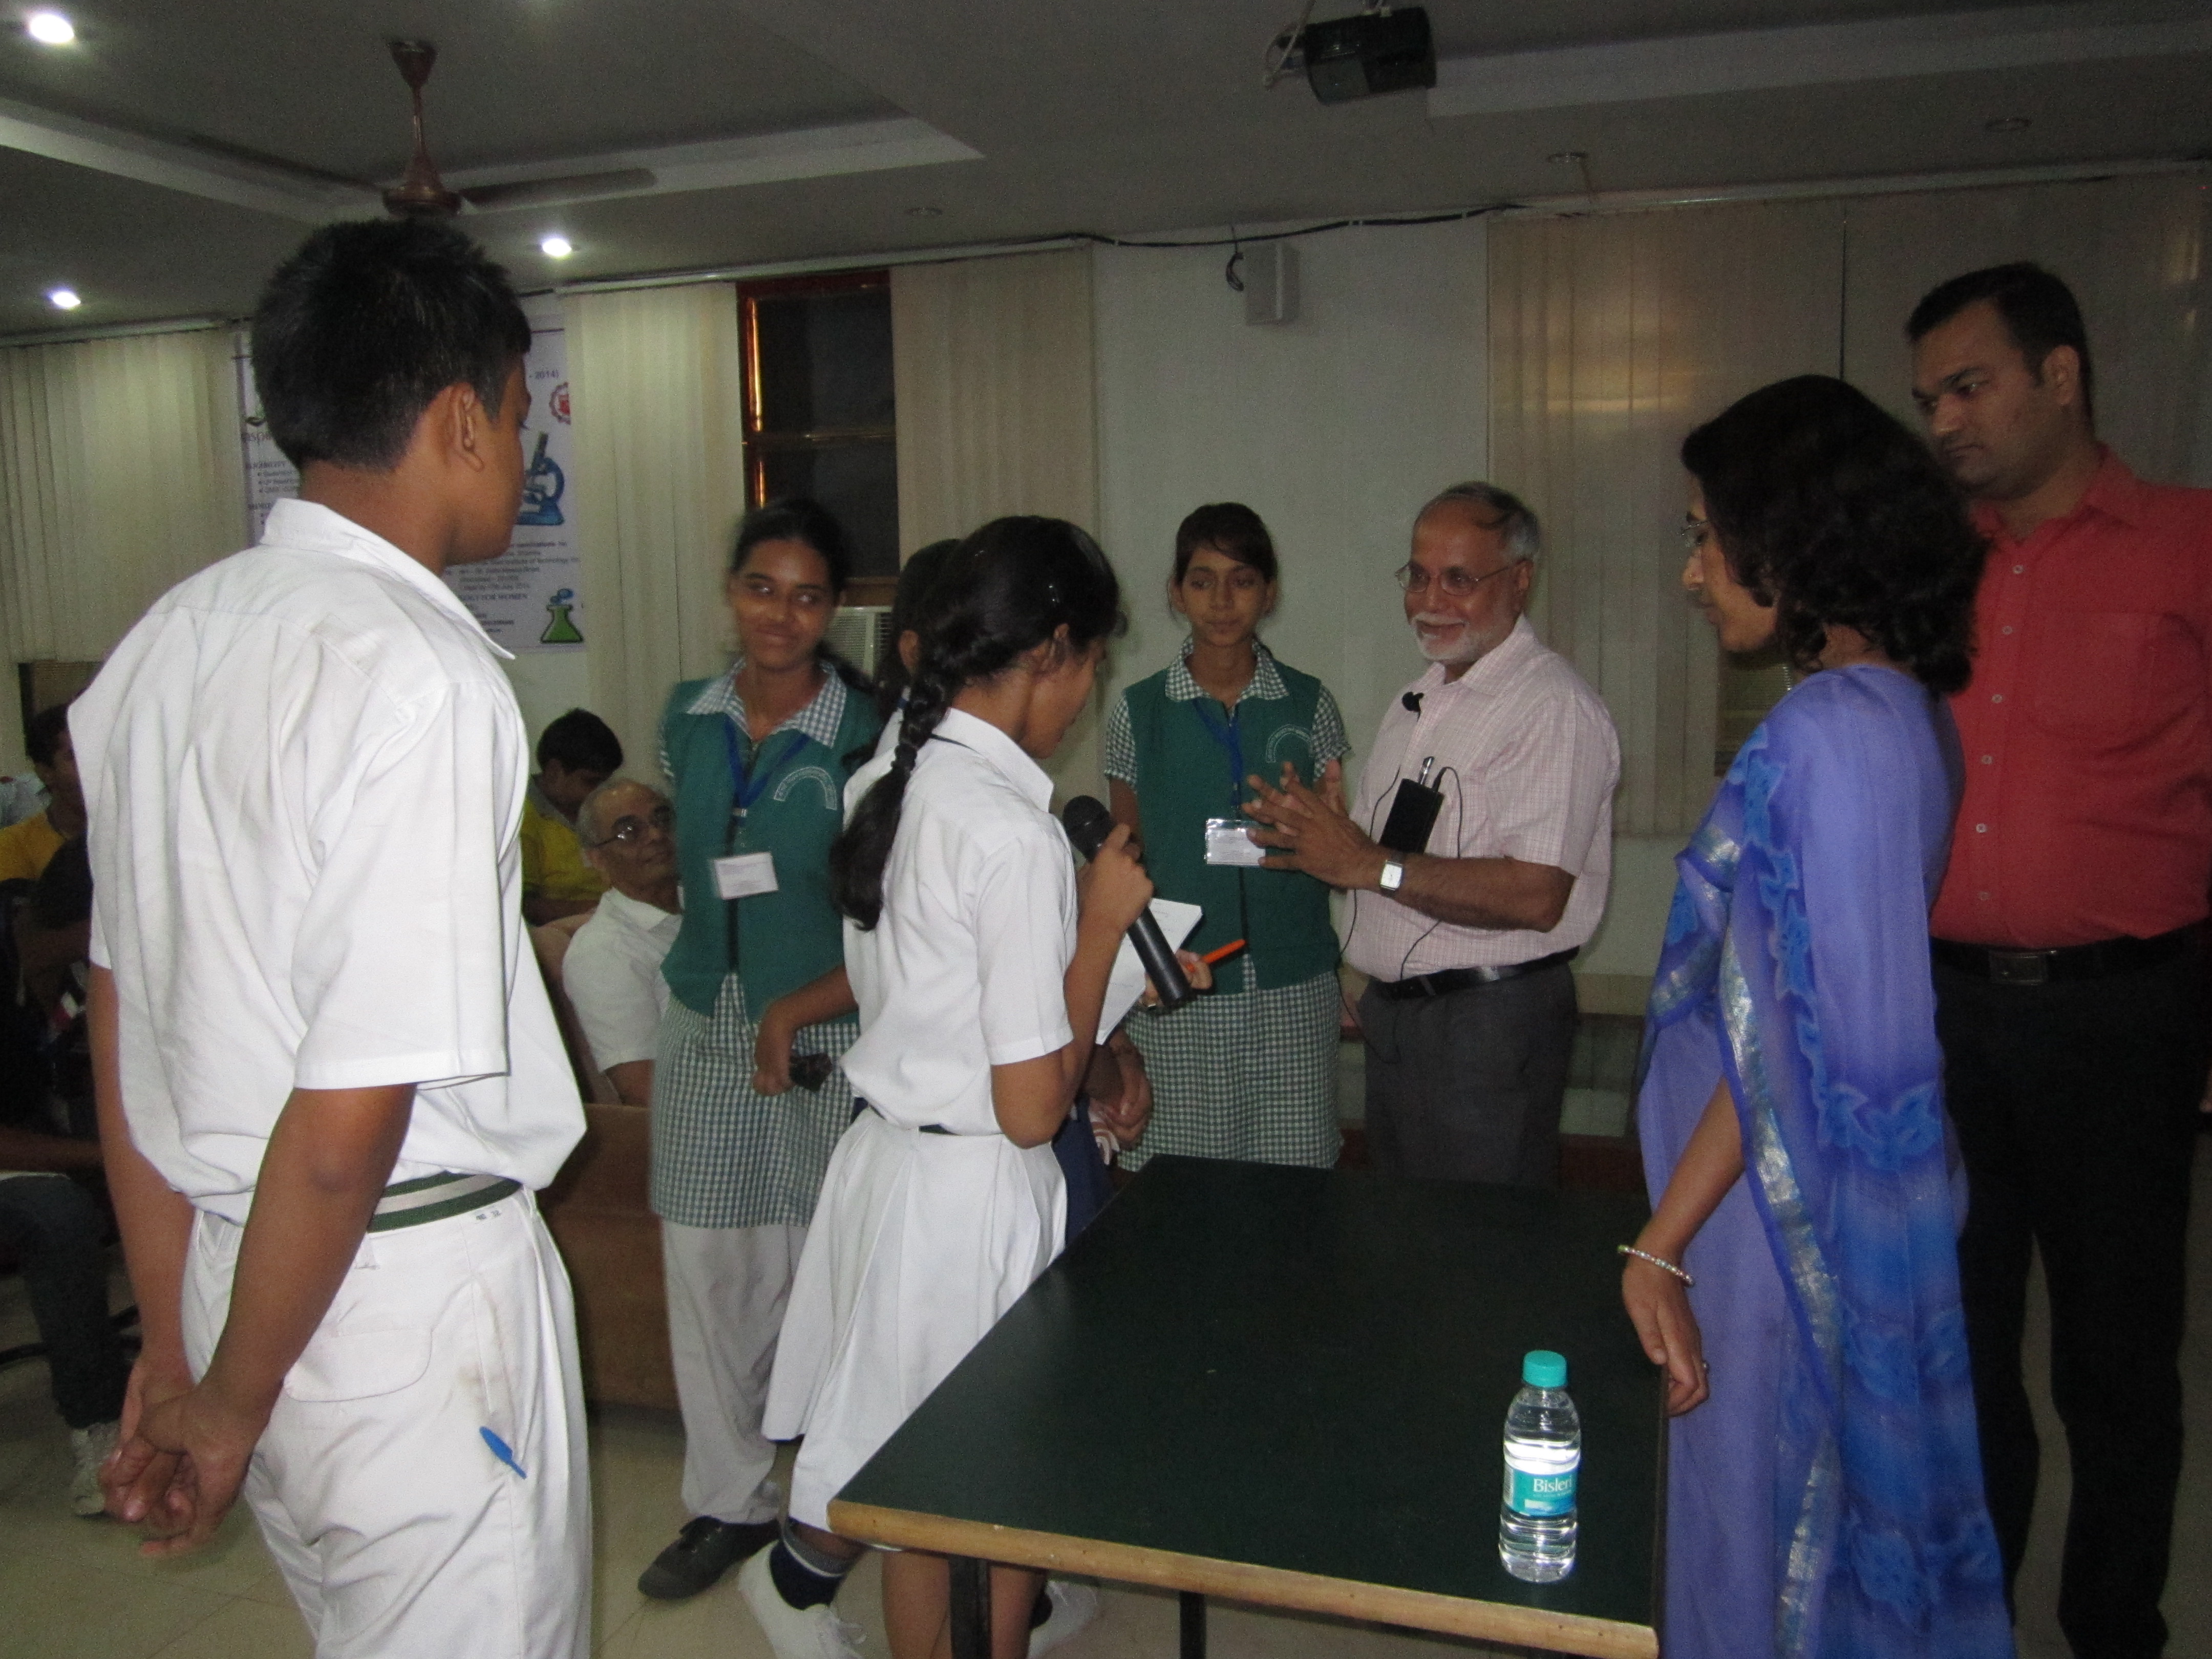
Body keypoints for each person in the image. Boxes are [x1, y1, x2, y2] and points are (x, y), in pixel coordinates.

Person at [72, 218, 590, 1655]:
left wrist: (186, 1346)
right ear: (457, 422)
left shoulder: (165, 644)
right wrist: (220, 1403)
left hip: (237, 1274)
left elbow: (127, 1017)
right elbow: (347, 1117)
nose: (524, 449)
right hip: (399, 1301)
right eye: (519, 414)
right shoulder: (420, 675)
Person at [1622, 374, 2009, 1658]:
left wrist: (1661, 1243)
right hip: (1798, 1188)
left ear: (1790, 541)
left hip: (1769, 1214)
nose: (1694, 572)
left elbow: (1791, 1042)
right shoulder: (1909, 710)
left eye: (1706, 535)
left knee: (1752, 1517)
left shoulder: (1829, 735)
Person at [750, 516, 1161, 1659]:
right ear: (1052, 650)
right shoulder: (1010, 834)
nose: (1085, 698)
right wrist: (1101, 930)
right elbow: (1032, 1109)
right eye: (1090, 666)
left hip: (892, 1172)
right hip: (972, 1194)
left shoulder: (891, 776)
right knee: (995, 1507)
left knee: (915, 1511)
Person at [1908, 262, 2212, 1659]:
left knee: (2116, 1356)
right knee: (1962, 1342)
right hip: (1948, 1011)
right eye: (1930, 398)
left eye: (1969, 387)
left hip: (2123, 1015)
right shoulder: (1937, 565)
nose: (1946, 421)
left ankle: (2112, 1625)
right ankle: (1974, 1614)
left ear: (2062, 375)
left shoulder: (2187, 545)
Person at [637, 498, 883, 1603]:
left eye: (807, 596)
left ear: (836, 609)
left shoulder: (866, 733)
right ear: (731, 591)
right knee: (705, 1264)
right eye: (761, 589)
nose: (780, 616)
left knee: (823, 1267)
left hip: (827, 1027)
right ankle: (727, 1500)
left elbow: (890, 919)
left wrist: (800, 1010)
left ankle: (834, 1498)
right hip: (705, 1019)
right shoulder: (686, 718)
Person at [1245, 483, 1619, 1186]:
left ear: (1521, 580)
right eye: (1417, 576)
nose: (1429, 600)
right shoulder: (1421, 699)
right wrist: (1330, 842)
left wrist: (1369, 864)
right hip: (1402, 1018)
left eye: (1458, 579)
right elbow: (1398, 859)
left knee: (1474, 1241)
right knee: (1408, 1234)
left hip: (1487, 1023)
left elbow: (1537, 894)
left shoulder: (1550, 707)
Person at [1103, 502, 1350, 1169]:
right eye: (1202, 581)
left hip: (1293, 983)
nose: (1221, 601)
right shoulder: (1138, 712)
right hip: (1177, 984)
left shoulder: (1310, 703)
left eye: (1242, 581)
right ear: (1175, 592)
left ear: (1270, 593)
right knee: (1181, 1186)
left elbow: (1340, 849)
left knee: (1292, 1185)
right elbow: (1125, 862)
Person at [561, 778, 680, 1106]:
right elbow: (642, 1089)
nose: (656, 835)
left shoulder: (709, 907)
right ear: (597, 859)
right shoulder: (603, 951)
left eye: (663, 819)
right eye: (630, 832)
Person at [521, 707, 622, 924]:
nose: (600, 791)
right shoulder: (522, 817)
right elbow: (524, 906)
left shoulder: (600, 809)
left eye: (605, 782)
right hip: (565, 934)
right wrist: (607, 911)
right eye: (591, 782)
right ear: (554, 772)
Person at [0, 704, 82, 884]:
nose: (92, 765)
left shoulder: (136, 834)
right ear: (46, 773)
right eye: (75, 756)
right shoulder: (15, 846)